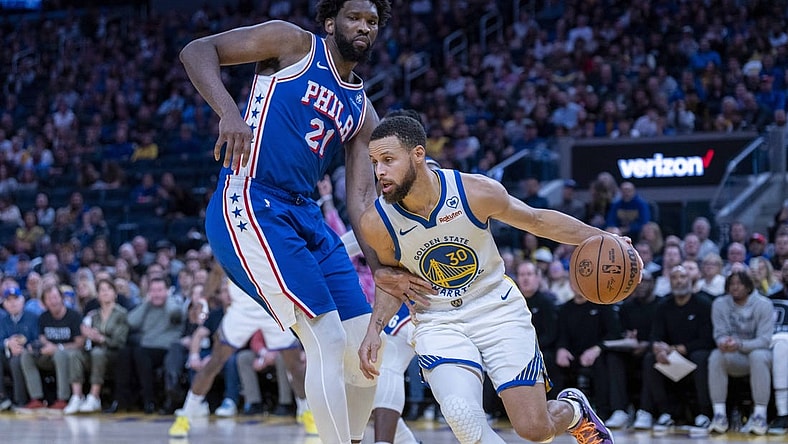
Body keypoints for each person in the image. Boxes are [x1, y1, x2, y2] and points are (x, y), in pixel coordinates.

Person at [178, 2, 418, 443]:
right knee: (324, 340)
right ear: (331, 22)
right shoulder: (293, 43)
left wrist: (380, 266)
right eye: (354, 17)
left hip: (306, 215)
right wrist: (229, 113)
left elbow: (361, 199)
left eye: (372, 22)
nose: (363, 27)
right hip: (253, 199)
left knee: (365, 353)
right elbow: (197, 51)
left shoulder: (364, 113)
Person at [357, 115, 635, 444]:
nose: (380, 172)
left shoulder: (473, 191)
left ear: (418, 154)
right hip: (439, 320)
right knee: (463, 417)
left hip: (496, 307)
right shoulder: (377, 222)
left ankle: (574, 410)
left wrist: (602, 236)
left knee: (534, 428)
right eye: (375, 162)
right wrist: (375, 328)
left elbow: (537, 221)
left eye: (388, 161)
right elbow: (394, 282)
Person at [169, 279, 314, 438]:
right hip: (243, 309)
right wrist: (203, 299)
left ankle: (305, 410)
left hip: (274, 307)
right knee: (214, 362)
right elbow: (217, 272)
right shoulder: (231, 253)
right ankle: (186, 415)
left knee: (294, 366)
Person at [637, 265, 714, 430]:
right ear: (669, 281)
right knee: (650, 358)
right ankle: (663, 413)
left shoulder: (703, 304)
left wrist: (677, 349)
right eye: (674, 278)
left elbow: (707, 340)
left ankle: (704, 413)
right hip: (671, 357)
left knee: (700, 356)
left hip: (693, 354)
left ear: (690, 280)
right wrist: (658, 348)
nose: (679, 281)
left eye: (682, 277)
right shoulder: (663, 305)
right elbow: (655, 336)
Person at [707, 270, 774, 435]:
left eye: (739, 284)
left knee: (757, 355)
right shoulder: (719, 304)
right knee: (716, 356)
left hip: (760, 356)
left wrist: (740, 344)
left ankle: (760, 416)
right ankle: (719, 415)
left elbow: (765, 340)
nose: (735, 288)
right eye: (732, 284)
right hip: (735, 356)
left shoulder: (764, 304)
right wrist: (723, 342)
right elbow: (719, 334)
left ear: (748, 286)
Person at [65, 279, 129, 414]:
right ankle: (77, 396)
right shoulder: (93, 315)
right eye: (102, 290)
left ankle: (94, 397)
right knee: (74, 354)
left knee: (98, 353)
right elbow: (87, 340)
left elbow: (119, 341)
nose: (105, 293)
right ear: (97, 295)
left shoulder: (121, 313)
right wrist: (86, 334)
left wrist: (99, 338)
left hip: (113, 353)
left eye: (108, 289)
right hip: (94, 350)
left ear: (114, 293)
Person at [18, 284, 85, 412]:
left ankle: (62, 399)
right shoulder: (44, 317)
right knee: (27, 355)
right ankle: (36, 398)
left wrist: (58, 347)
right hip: (49, 354)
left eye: (55, 297)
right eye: (48, 298)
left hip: (69, 354)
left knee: (59, 354)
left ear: (61, 298)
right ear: (44, 303)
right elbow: (42, 337)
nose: (52, 301)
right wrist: (42, 347)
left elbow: (79, 343)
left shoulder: (74, 316)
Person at [0, 286, 39, 409]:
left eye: (15, 299)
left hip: (29, 355)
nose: (12, 303)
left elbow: (38, 338)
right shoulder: (3, 321)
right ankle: (2, 397)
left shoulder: (33, 318)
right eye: (9, 300)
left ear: (22, 301)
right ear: (4, 304)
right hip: (7, 355)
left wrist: (25, 348)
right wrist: (8, 343)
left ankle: (20, 401)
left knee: (17, 361)